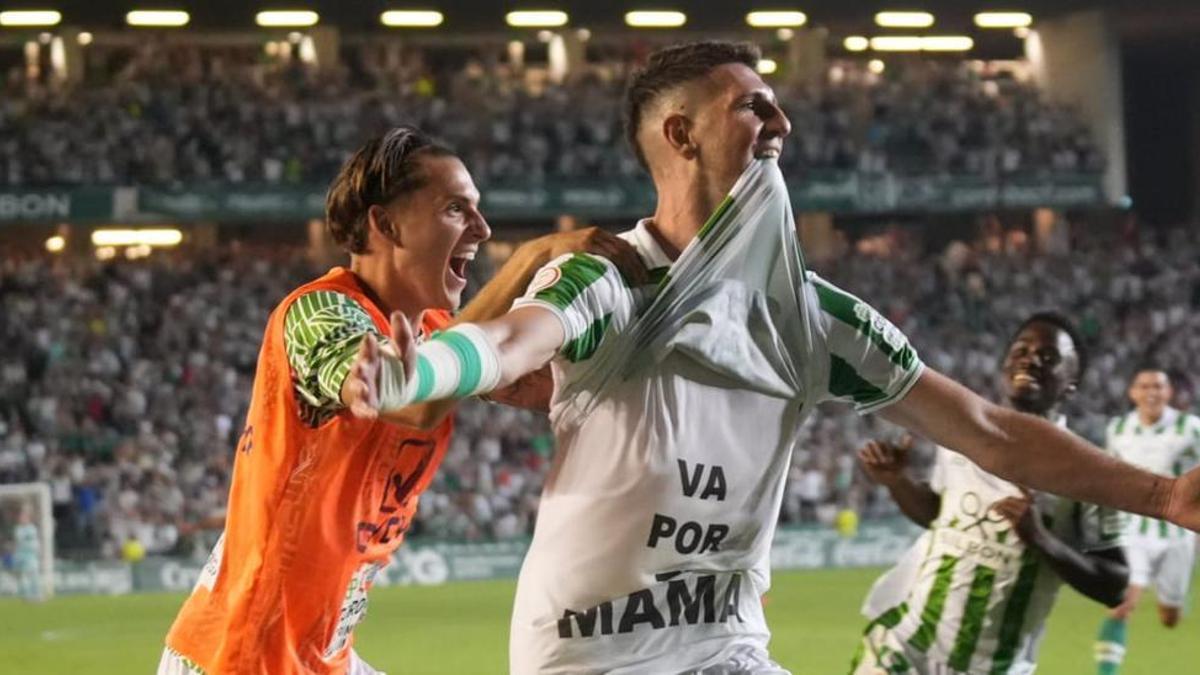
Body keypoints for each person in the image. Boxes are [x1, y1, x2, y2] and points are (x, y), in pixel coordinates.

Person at [345, 42, 1200, 673]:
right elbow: (505, 341)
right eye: (753, 106)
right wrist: (415, 372)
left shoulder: (811, 317)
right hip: (594, 656)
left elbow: (991, 432)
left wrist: (1163, 493)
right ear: (680, 134)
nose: (780, 121)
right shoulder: (614, 278)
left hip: (726, 647)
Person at [159, 126, 643, 675]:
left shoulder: (440, 329)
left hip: (319, 657)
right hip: (243, 657)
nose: (482, 229)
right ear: (385, 224)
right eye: (456, 210)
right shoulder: (317, 313)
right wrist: (526, 262)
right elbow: (405, 398)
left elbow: (550, 388)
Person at [851, 313, 1128, 674]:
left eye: (1049, 357)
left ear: (1070, 385)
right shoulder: (959, 434)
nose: (1030, 359)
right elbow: (939, 515)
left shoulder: (1090, 471)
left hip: (994, 665)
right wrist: (897, 481)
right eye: (1021, 350)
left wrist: (1042, 541)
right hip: (906, 646)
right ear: (1005, 366)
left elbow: (1114, 584)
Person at [1094, 367, 1200, 675]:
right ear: (1133, 392)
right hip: (1132, 531)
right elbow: (1110, 474)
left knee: (1169, 617)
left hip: (1176, 534)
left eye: (1158, 386)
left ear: (1169, 393)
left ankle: (1173, 597)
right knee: (1120, 607)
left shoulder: (1190, 428)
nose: (1151, 392)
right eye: (1144, 386)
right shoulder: (1118, 429)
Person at [12, 504, 43, 602]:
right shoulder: (18, 529)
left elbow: (34, 542)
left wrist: (37, 550)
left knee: (33, 574)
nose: (21, 519)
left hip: (30, 555)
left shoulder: (32, 528)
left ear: (28, 518)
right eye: (21, 517)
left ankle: (36, 595)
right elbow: (19, 541)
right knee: (22, 576)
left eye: (23, 517)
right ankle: (26, 595)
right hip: (20, 555)